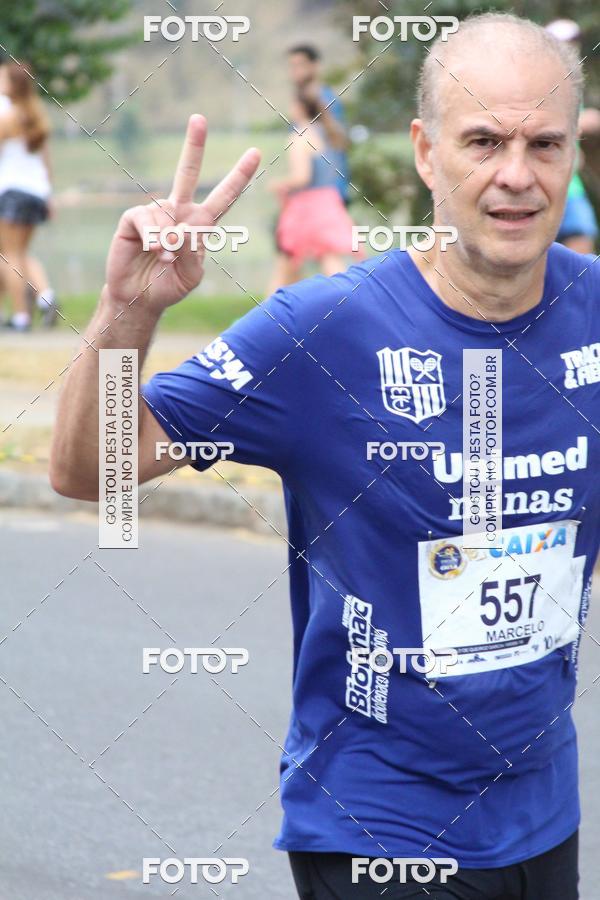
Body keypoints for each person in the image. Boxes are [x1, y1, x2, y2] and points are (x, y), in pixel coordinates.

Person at [50, 12, 598, 898]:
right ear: (425, 151)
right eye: (484, 140)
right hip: (375, 827)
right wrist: (126, 315)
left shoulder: (595, 311)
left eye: (545, 143)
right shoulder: (326, 330)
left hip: (544, 816)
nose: (516, 175)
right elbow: (91, 470)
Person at [267, 91, 363, 294]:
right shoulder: (326, 134)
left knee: (286, 263)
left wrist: (279, 183)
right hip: (329, 203)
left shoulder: (299, 137)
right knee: (329, 260)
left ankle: (269, 317)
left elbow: (302, 177)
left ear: (301, 108)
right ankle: (349, 303)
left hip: (306, 208)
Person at [0, 61, 53, 331]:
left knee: (8, 255)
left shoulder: (6, 119)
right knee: (20, 253)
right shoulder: (37, 116)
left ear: (11, 84)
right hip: (37, 192)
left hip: (11, 191)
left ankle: (21, 317)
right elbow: (46, 162)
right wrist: (50, 195)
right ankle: (45, 296)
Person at [545, 19, 600, 254]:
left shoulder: (572, 84)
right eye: (563, 43)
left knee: (582, 263)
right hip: (545, 189)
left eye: (573, 42)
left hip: (571, 188)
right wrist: (580, 122)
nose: (570, 48)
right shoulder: (541, 82)